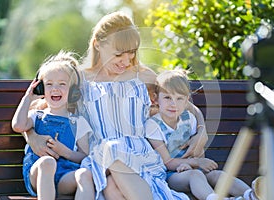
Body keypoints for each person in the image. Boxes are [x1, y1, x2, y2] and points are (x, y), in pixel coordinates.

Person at [22, 11, 207, 199]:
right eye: (119, 54)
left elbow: (186, 104)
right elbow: (38, 107)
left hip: (138, 155)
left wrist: (201, 130)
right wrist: (31, 136)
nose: (126, 61)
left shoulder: (143, 76)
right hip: (102, 158)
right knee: (109, 180)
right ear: (98, 44)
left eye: (131, 53)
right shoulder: (80, 78)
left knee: (112, 184)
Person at [145, 70, 261, 200]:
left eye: (179, 98)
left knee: (217, 175)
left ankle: (251, 195)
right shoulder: (153, 125)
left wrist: (194, 163)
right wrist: (193, 163)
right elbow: (167, 162)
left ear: (186, 101)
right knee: (195, 175)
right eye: (167, 97)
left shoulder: (189, 119)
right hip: (170, 176)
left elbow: (198, 150)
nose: (173, 104)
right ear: (156, 99)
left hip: (192, 168)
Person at [12, 51, 95, 200]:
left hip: (64, 175)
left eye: (62, 84)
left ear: (73, 91)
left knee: (85, 174)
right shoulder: (36, 116)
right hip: (38, 173)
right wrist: (27, 98)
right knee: (48, 162)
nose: (55, 89)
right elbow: (18, 126)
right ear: (42, 89)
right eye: (49, 84)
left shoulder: (78, 122)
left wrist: (65, 152)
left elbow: (85, 157)